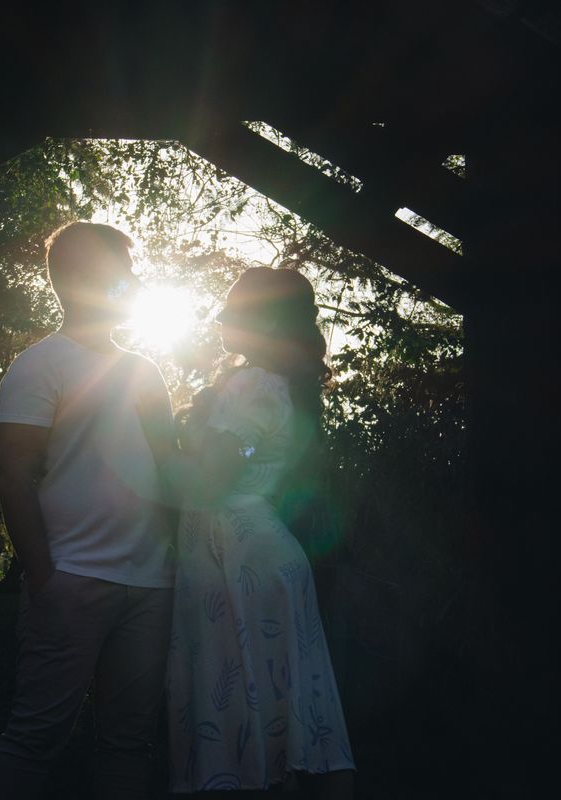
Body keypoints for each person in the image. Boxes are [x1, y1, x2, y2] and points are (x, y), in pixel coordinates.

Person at [0, 222, 176, 800]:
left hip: (150, 584)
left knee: (128, 743)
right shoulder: (40, 363)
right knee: (35, 735)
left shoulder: (145, 370)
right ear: (78, 280)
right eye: (123, 270)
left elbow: (171, 471)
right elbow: (11, 473)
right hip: (72, 578)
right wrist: (44, 576)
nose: (134, 281)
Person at [149, 268, 355, 799]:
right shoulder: (287, 385)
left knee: (240, 714)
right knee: (294, 714)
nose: (221, 319)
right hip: (265, 555)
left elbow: (212, 479)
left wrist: (154, 439)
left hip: (236, 561)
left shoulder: (250, 383)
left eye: (234, 310)